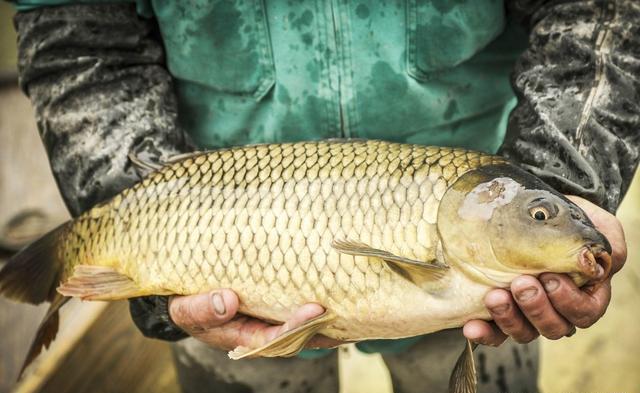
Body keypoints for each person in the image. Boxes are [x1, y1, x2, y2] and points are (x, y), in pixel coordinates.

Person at [11, 1, 635, 392]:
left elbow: (602, 12)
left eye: (542, 216)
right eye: (543, 215)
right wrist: (136, 241)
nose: (553, 220)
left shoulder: (492, 222)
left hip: (485, 190)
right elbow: (81, 41)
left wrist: (562, 181)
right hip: (206, 219)